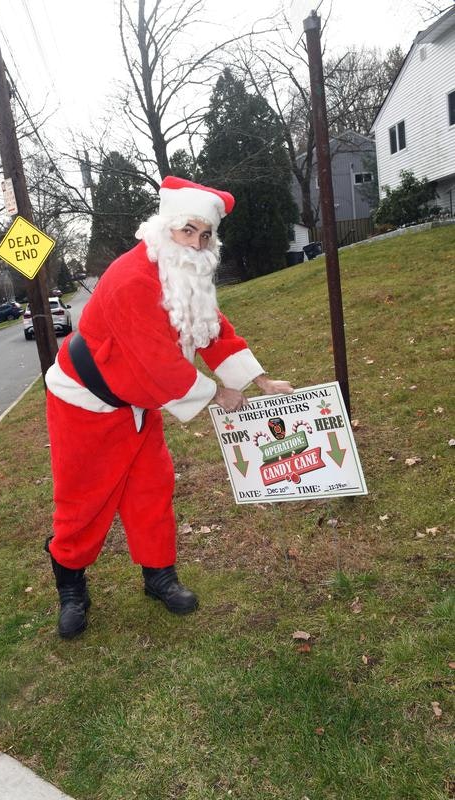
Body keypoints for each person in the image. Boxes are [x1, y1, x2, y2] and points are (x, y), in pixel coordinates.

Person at [44, 175, 294, 639]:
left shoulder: (186, 276)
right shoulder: (129, 280)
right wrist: (218, 394)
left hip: (139, 404)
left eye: (206, 236)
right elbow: (159, 363)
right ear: (165, 227)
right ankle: (71, 585)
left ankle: (159, 575)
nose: (197, 244)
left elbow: (213, 329)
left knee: (151, 491)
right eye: (188, 232)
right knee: (85, 501)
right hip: (86, 405)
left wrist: (259, 381)